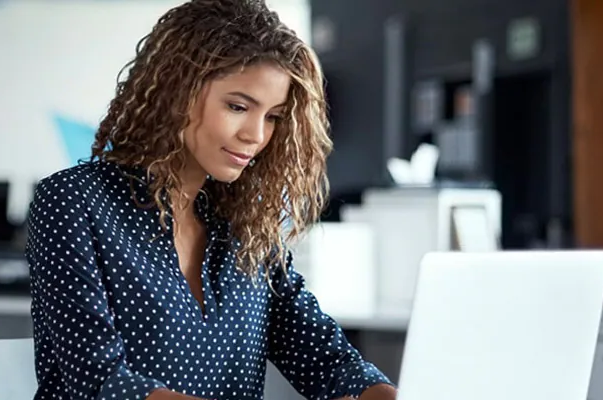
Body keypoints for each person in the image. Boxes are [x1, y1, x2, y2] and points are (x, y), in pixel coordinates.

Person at [25, 0, 397, 399]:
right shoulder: (72, 202)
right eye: (238, 107)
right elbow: (100, 382)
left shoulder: (245, 223)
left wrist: (386, 393)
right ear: (176, 92)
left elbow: (327, 361)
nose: (256, 134)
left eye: (272, 116)